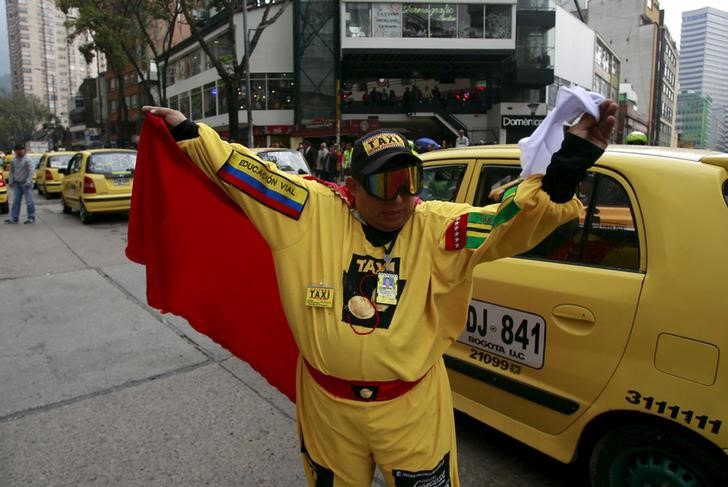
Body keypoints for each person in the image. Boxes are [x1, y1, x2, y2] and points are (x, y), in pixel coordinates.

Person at [140, 99, 617, 487]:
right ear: (351, 188)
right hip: (328, 407)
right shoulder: (310, 211)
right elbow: (242, 172)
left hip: (410, 408)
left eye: (409, 183)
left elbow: (511, 222)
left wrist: (569, 163)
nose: (400, 199)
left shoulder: (440, 229)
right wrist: (186, 131)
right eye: (385, 184)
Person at [5, 143, 35, 224]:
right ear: (15, 151)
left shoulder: (28, 160)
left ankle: (31, 217)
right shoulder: (13, 160)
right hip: (17, 183)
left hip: (26, 184)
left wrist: (28, 181)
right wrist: (10, 181)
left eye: (22, 149)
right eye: (18, 150)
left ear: (24, 150)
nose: (20, 151)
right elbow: (12, 172)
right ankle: (14, 218)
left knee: (29, 201)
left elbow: (31, 171)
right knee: (16, 201)